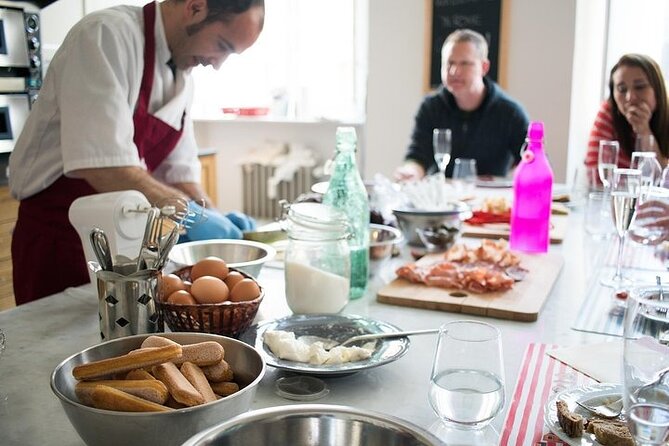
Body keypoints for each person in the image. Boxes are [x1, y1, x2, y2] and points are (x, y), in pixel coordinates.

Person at [8, 0, 264, 305]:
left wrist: (212, 217)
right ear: (195, 8)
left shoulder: (182, 78)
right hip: (61, 238)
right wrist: (193, 218)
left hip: (123, 242)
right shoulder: (105, 36)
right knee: (58, 346)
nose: (217, 63)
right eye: (222, 45)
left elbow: (180, 175)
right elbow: (105, 167)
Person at [395, 29, 529, 181]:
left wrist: (521, 174)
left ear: (484, 67)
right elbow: (418, 156)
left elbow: (530, 160)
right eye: (449, 63)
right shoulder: (430, 107)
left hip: (489, 199)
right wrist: (410, 171)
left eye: (465, 63)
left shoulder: (510, 112)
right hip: (443, 199)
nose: (454, 71)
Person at [585, 53, 669, 169]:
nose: (630, 97)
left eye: (640, 87)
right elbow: (595, 174)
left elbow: (665, 180)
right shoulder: (608, 114)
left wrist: (644, 132)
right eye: (622, 89)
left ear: (658, 90)